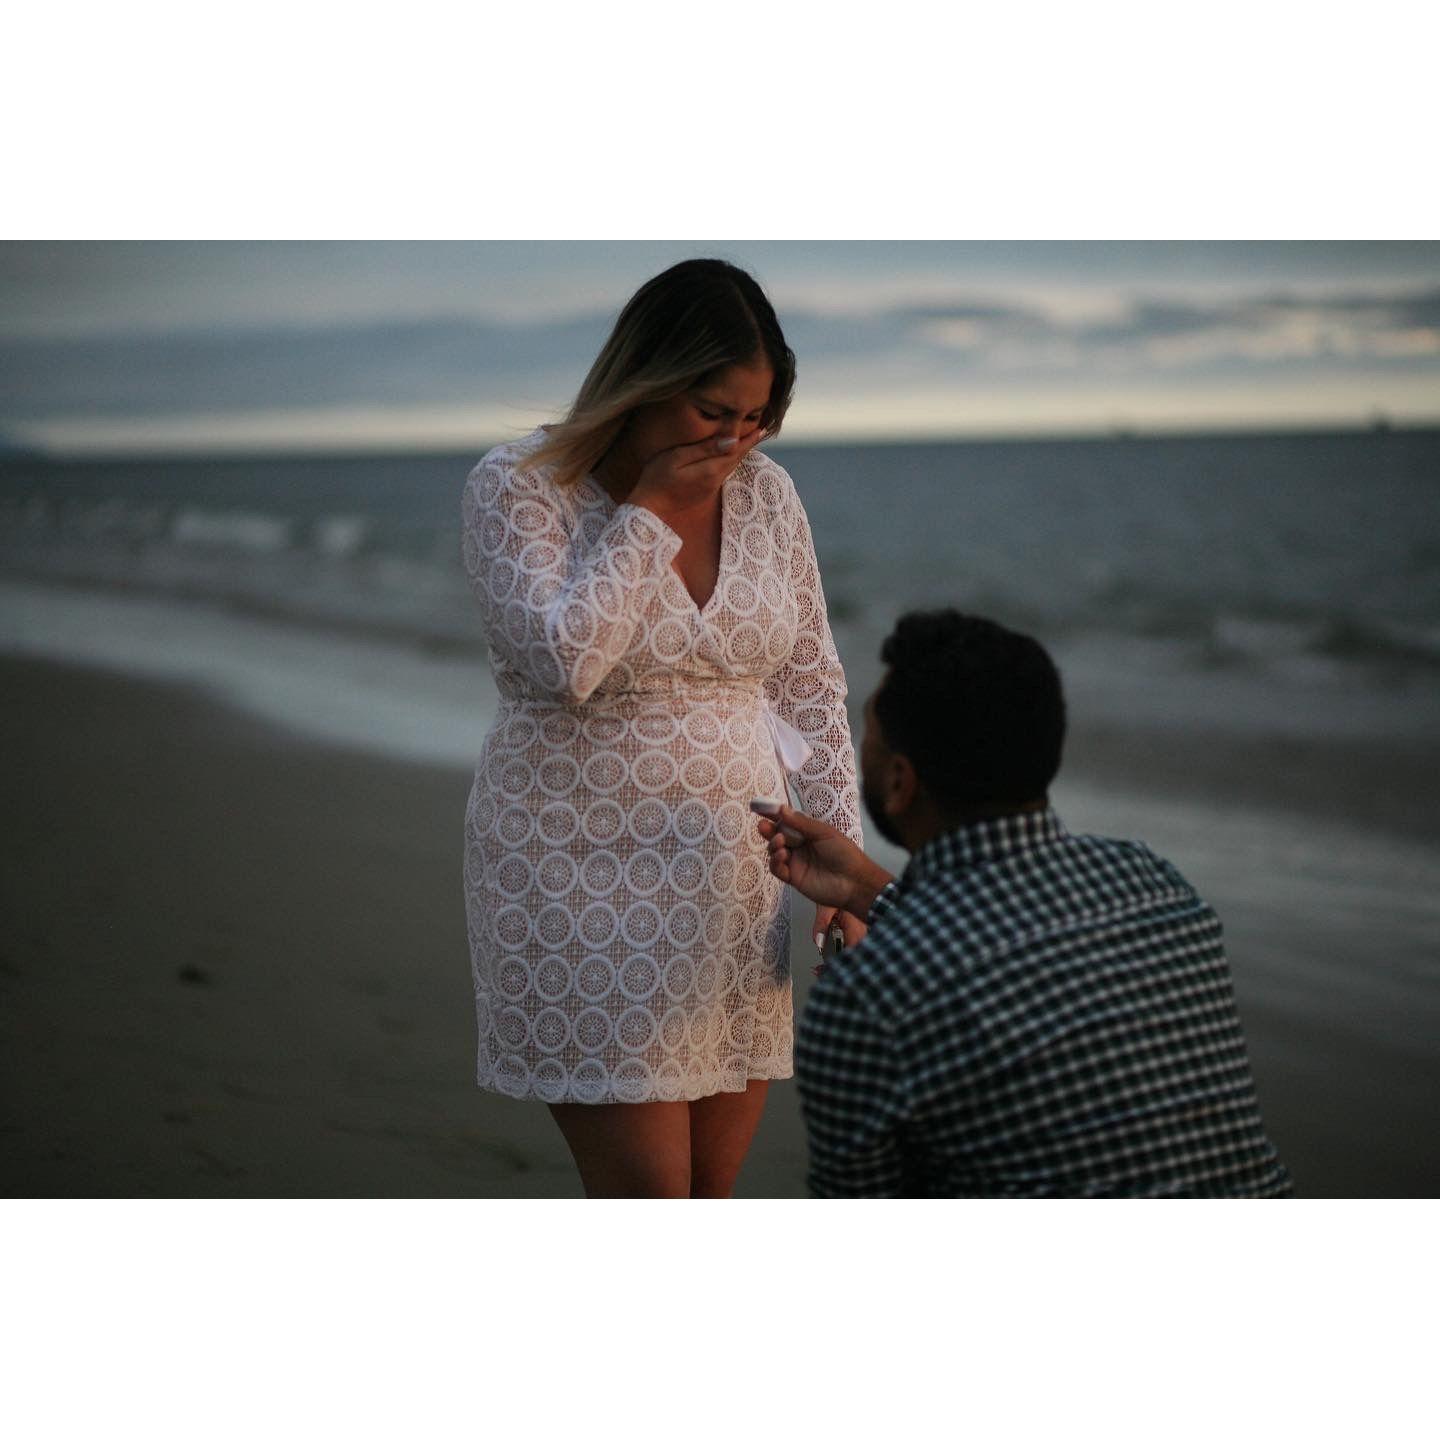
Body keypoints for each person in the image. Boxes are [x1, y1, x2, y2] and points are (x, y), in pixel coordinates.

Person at [460, 259, 866, 1198]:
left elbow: (811, 683)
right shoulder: (518, 487)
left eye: (754, 419)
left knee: (710, 1197)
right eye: (711, 411)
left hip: (731, 878)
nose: (733, 440)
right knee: (649, 1200)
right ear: (643, 382)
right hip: (576, 873)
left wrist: (841, 859)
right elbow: (564, 665)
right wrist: (650, 511)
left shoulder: (768, 494)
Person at [756, 610, 1294, 1198]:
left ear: (900, 782)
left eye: (871, 739)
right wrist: (863, 885)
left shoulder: (866, 995)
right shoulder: (1157, 886)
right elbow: (1009, 941)